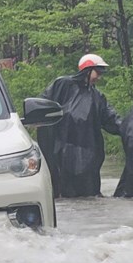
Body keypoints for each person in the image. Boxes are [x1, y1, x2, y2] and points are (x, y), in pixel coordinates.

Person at [37, 54, 121, 198]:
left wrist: (129, 128)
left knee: (89, 196)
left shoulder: (97, 97)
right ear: (87, 70)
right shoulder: (62, 85)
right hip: (62, 154)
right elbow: (42, 106)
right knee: (64, 195)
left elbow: (111, 119)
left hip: (89, 157)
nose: (99, 77)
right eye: (98, 72)